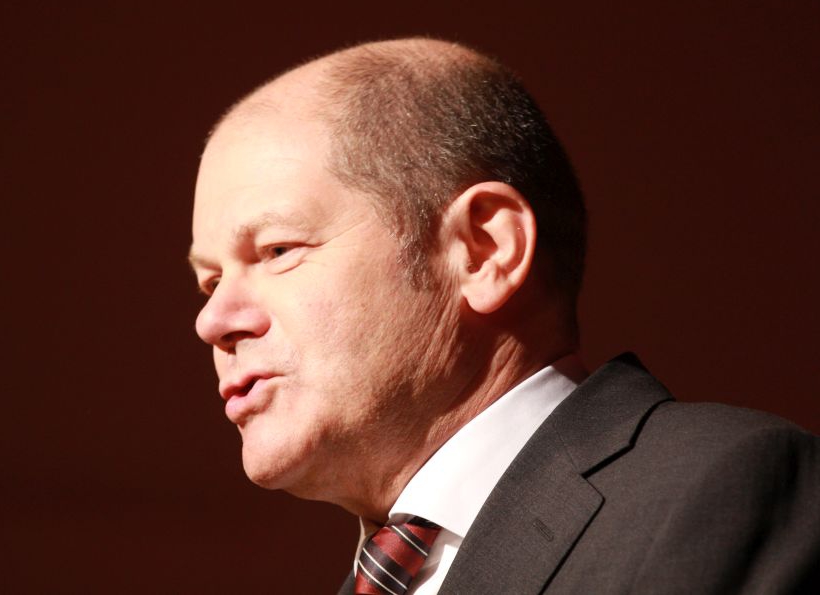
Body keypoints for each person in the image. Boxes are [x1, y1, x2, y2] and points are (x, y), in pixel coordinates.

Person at [188, 38, 819, 594]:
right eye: (210, 281)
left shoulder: (718, 492)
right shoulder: (382, 576)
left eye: (277, 251)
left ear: (484, 251)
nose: (213, 321)